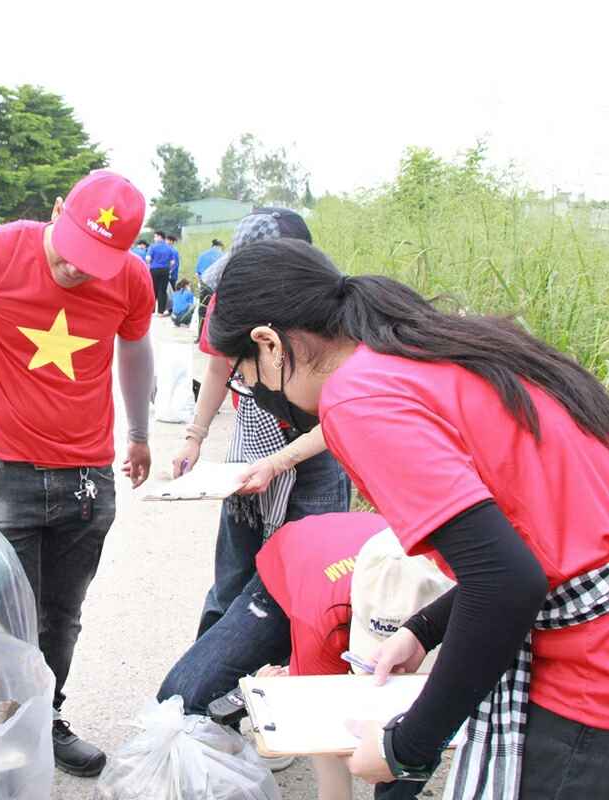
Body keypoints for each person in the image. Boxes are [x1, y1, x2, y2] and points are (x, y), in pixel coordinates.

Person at [209, 237, 609, 799]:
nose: (253, 390)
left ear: (269, 343)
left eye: (245, 374)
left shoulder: (359, 398)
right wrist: (425, 628)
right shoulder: (435, 347)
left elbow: (507, 581)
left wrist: (405, 747)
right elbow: (551, 548)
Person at [0, 170, 156, 778]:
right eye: (72, 255)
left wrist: (141, 432)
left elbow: (135, 343)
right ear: (55, 210)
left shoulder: (128, 276)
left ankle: (44, 717)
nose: (77, 272)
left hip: (86, 476)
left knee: (59, 615)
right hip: (6, 470)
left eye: (96, 263)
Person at [159, 210, 350, 759]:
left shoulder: (335, 343)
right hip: (253, 454)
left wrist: (285, 460)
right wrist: (196, 436)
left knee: (308, 596)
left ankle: (287, 705)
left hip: (311, 463)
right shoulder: (232, 309)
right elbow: (217, 368)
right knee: (233, 583)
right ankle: (205, 703)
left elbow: (343, 416)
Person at [256, 513, 452, 800]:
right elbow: (323, 731)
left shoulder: (470, 590)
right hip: (300, 550)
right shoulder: (319, 621)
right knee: (200, 682)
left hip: (372, 542)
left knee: (421, 719)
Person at [194, 239, 224, 341]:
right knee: (217, 312)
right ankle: (214, 339)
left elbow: (197, 273)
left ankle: (200, 337)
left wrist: (201, 285)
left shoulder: (203, 255)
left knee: (202, 311)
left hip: (205, 285)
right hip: (218, 287)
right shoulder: (222, 255)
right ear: (220, 247)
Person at [146, 230, 175, 316]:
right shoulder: (169, 248)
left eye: (155, 237)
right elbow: (173, 262)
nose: (154, 239)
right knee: (162, 290)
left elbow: (148, 258)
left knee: (153, 290)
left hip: (154, 270)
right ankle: (160, 312)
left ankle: (151, 311)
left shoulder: (152, 247)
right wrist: (168, 267)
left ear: (159, 237)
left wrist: (150, 264)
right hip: (165, 270)